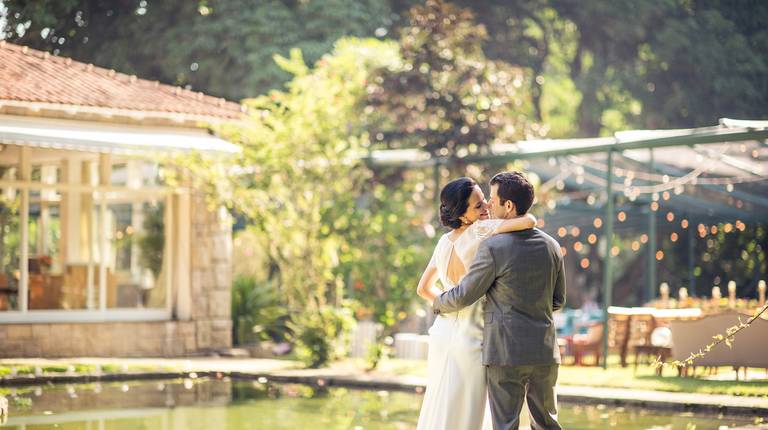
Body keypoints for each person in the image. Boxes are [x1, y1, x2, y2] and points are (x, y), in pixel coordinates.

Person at [432, 171, 566, 430]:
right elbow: (558, 300)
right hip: (545, 351)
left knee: (506, 425)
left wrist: (438, 303)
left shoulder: (493, 247)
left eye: (492, 199)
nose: (489, 205)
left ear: (508, 205)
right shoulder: (552, 246)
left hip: (505, 353)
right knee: (547, 425)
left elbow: (464, 295)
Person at [416, 176, 537, 430]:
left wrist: (448, 303)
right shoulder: (480, 230)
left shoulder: (442, 242)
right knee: (472, 406)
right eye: (478, 206)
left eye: (485, 201)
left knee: (442, 399)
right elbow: (530, 221)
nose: (486, 207)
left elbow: (423, 289)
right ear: (462, 215)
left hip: (443, 331)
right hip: (473, 334)